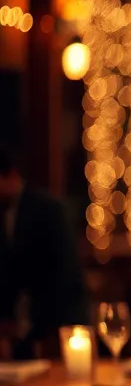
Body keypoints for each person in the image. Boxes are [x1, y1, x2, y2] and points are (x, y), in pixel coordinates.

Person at [0, 147, 88, 358]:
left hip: (61, 324)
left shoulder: (48, 209)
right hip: (25, 330)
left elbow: (65, 272)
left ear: (11, 175)